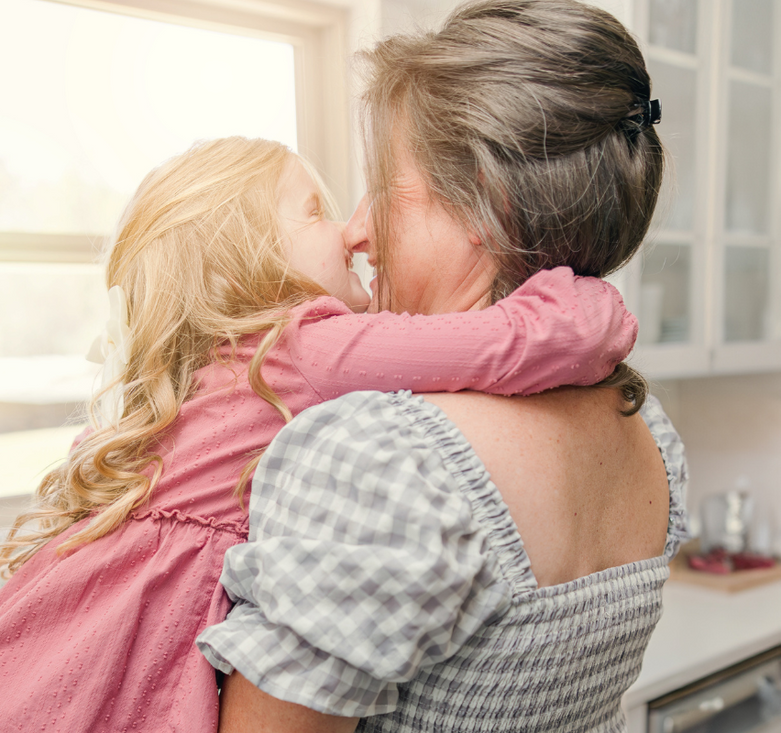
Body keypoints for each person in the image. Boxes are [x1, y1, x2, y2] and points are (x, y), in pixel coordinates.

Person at [0, 136, 635, 733]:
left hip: (22, 672)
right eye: (315, 210)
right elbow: (511, 342)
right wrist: (596, 301)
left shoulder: (209, 367)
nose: (348, 231)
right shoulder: (304, 349)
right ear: (247, 254)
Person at [196, 2, 689, 732]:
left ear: (485, 207)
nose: (357, 229)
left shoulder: (379, 456)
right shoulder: (648, 431)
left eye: (385, 190)